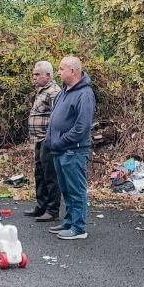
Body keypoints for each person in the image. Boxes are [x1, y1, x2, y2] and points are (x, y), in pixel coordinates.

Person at [47, 56, 96, 240]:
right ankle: (69, 221)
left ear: (73, 71)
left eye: (61, 69)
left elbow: (82, 127)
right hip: (60, 150)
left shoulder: (85, 94)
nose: (58, 72)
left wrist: (60, 141)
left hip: (73, 151)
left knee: (76, 190)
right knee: (66, 189)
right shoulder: (64, 91)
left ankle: (78, 228)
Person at [23, 61, 62, 222]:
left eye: (37, 74)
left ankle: (52, 210)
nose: (34, 77)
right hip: (38, 139)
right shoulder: (42, 91)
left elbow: (57, 116)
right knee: (40, 174)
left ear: (48, 75)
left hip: (48, 139)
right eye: (34, 74)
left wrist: (51, 138)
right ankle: (41, 206)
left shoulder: (54, 91)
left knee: (50, 176)